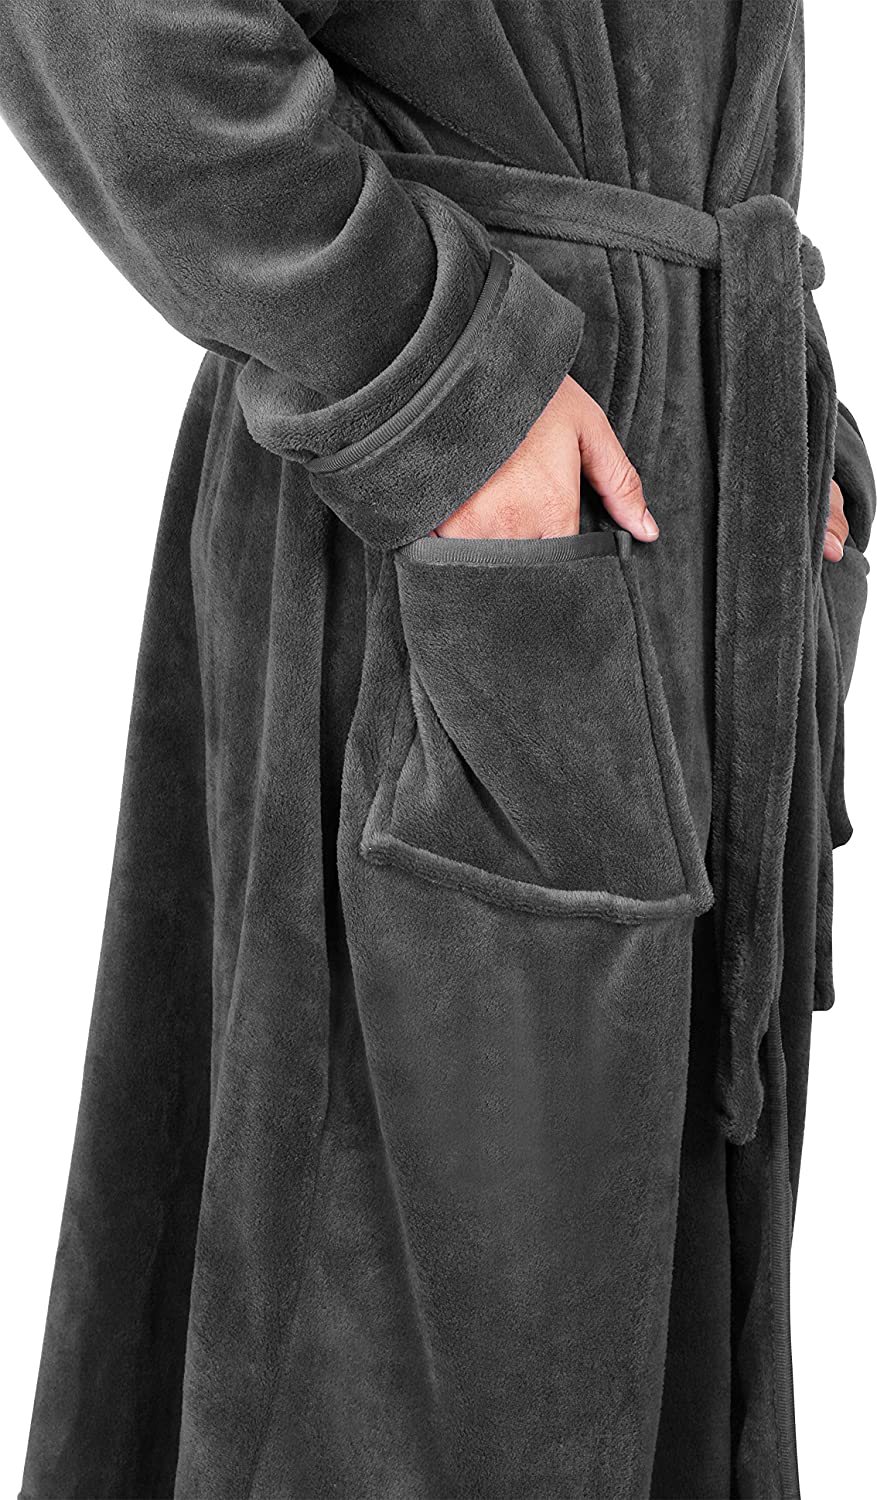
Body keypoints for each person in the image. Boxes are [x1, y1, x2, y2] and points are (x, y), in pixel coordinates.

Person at [2, 3, 872, 1497]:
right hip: (448, 535)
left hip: (682, 515)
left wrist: (787, 419)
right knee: (412, 1339)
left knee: (641, 1320)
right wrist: (439, 378)